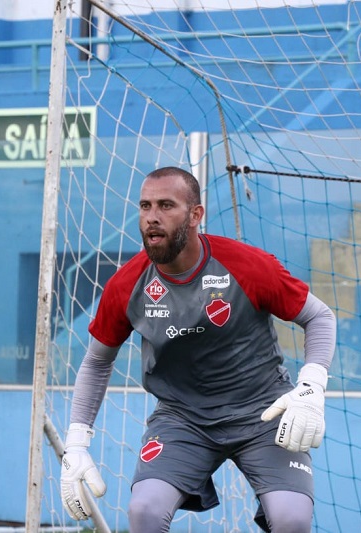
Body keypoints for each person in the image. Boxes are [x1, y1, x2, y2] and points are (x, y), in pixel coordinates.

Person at [60, 166, 336, 532]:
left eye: (165, 205)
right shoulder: (127, 284)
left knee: (291, 519)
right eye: (145, 206)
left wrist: (312, 386)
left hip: (262, 412)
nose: (152, 218)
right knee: (143, 511)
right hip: (182, 418)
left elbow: (319, 316)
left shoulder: (247, 266)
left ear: (195, 215)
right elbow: (97, 362)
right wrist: (76, 445)